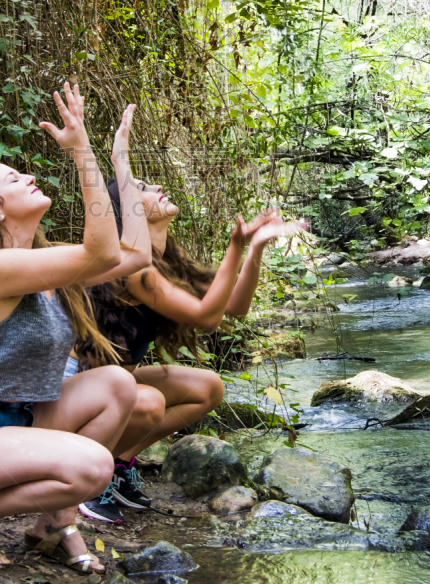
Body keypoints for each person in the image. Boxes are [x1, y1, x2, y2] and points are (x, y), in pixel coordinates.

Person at [0, 84, 152, 573]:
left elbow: (135, 255)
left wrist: (119, 164)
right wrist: (81, 153)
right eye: (13, 178)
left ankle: (49, 525)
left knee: (116, 385)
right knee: (92, 467)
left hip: (16, 421)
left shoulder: (36, 263)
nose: (29, 177)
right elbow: (103, 253)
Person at [65, 177, 308, 523]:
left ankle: (118, 464)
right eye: (143, 189)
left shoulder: (168, 260)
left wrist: (254, 249)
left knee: (207, 387)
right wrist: (235, 246)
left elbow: (235, 306)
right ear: (128, 211)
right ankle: (90, 480)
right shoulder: (131, 265)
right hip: (78, 393)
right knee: (149, 402)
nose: (157, 187)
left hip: (115, 386)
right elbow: (207, 317)